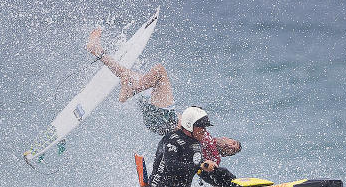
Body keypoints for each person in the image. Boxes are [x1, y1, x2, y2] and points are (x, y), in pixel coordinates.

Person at [86, 28, 242, 156]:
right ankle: (97, 51)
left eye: (232, 149)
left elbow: (188, 143)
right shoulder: (206, 143)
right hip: (156, 121)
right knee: (129, 75)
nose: (231, 145)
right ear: (227, 137)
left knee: (159, 72)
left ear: (226, 152)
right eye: (233, 143)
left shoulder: (206, 145)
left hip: (164, 117)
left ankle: (131, 91)